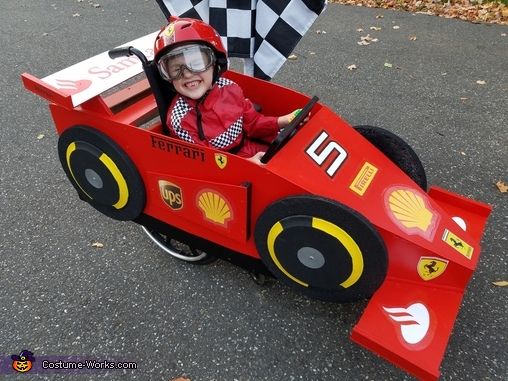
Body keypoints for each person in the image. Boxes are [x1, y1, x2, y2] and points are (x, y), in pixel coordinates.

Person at [153, 17, 303, 164]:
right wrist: (246, 163)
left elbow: (253, 123)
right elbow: (205, 161)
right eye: (175, 70)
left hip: (250, 147)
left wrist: (283, 120)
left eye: (196, 63)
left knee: (294, 153)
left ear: (215, 63)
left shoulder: (229, 88)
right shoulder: (180, 119)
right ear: (167, 77)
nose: (186, 74)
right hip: (225, 170)